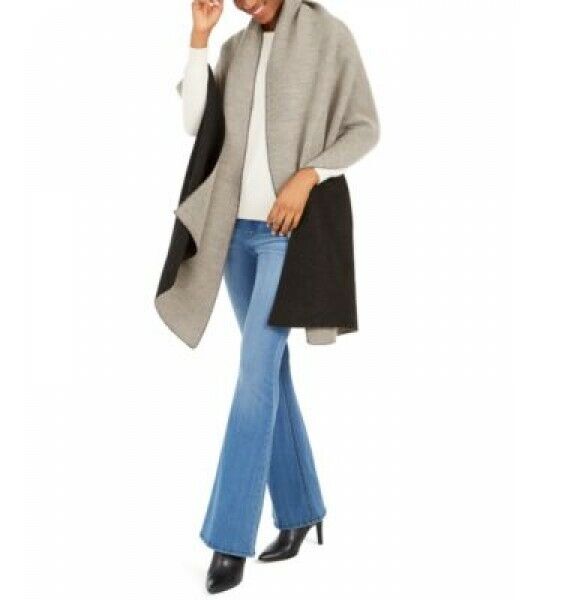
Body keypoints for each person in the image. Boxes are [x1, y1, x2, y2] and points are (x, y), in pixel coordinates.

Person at [172, 0, 380, 593]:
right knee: (270, 372)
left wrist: (307, 176)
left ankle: (228, 537)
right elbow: (195, 123)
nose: (249, 1)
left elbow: (364, 127)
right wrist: (199, 37)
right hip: (233, 234)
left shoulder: (329, 36)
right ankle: (301, 509)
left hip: (286, 234)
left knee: (255, 373)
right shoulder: (236, 48)